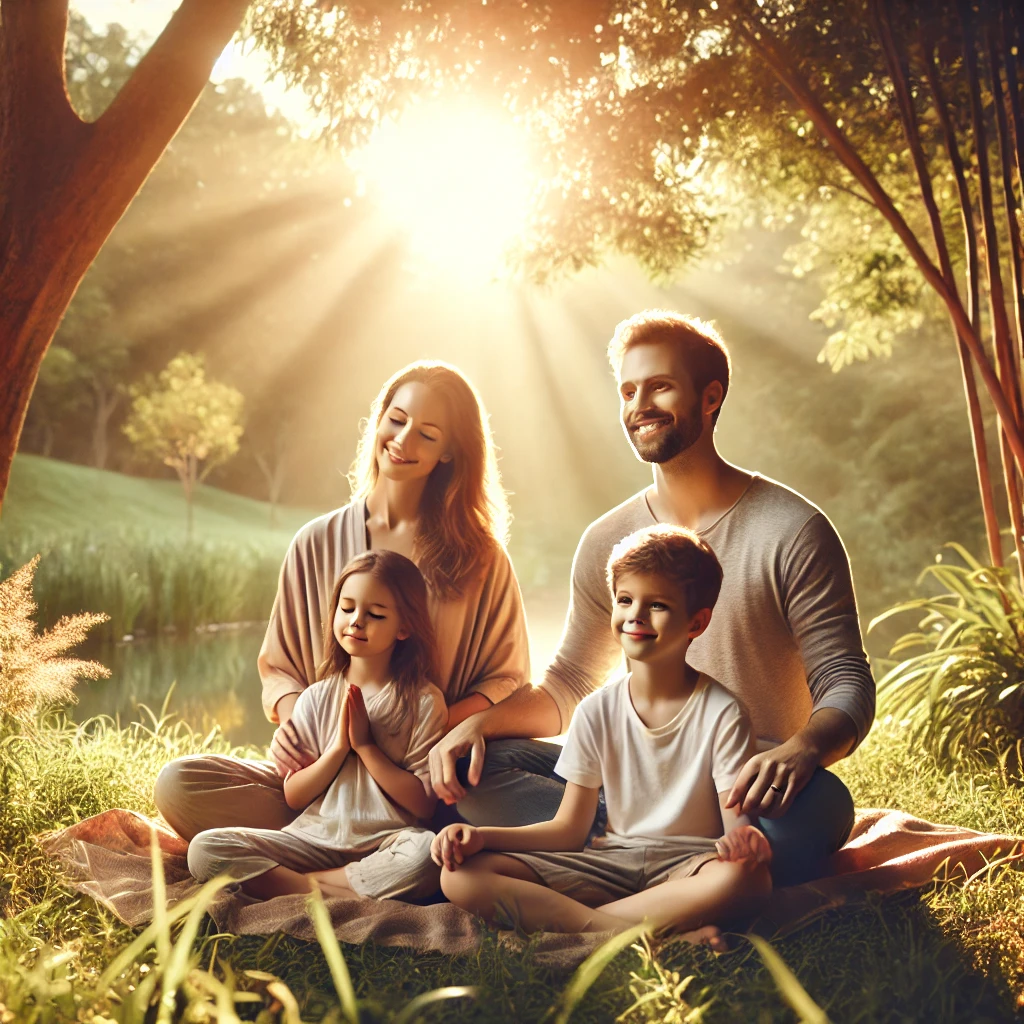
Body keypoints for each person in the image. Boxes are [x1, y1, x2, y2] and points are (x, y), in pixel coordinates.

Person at [429, 311, 875, 888]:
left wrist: (803, 749)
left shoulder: (792, 530)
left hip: (740, 787)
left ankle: (612, 854)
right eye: (629, 390)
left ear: (710, 397)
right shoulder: (605, 541)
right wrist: (482, 726)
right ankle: (671, 863)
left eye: (660, 386)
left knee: (824, 809)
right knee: (480, 769)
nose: (640, 404)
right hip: (630, 777)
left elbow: (846, 680)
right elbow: (569, 682)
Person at [156, 361, 530, 842]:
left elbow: (507, 679)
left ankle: (362, 851)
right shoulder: (314, 542)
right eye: (396, 420)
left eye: (427, 434)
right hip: (321, 773)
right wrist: (299, 728)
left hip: (426, 781)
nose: (403, 440)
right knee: (180, 785)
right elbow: (279, 666)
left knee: (521, 803)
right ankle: (339, 850)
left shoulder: (479, 557)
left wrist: (416, 730)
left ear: (450, 453)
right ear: (379, 420)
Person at [432, 526, 772, 942]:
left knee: (748, 881)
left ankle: (591, 932)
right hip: (608, 862)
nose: (636, 616)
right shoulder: (595, 711)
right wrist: (481, 837)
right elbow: (570, 829)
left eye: (658, 605)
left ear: (696, 622)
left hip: (687, 865)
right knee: (460, 877)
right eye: (625, 600)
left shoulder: (723, 712)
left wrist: (747, 841)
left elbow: (735, 826)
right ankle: (645, 935)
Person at [188, 550, 447, 900]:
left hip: (386, 843)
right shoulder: (315, 697)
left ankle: (301, 884)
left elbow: (423, 805)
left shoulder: (423, 702)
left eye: (374, 614)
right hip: (312, 839)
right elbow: (294, 795)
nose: (356, 621)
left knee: (426, 856)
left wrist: (366, 747)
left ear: (404, 626)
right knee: (205, 849)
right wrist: (339, 749)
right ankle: (330, 888)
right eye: (347, 608)